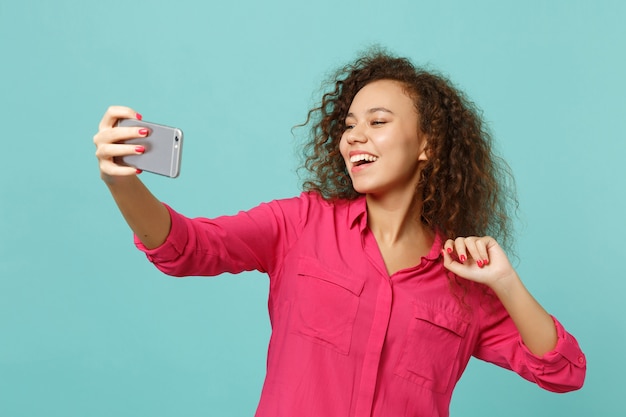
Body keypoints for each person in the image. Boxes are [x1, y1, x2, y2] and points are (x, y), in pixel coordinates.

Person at [93, 50, 586, 417]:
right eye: (349, 124)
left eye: (378, 121)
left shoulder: (464, 277)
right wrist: (120, 182)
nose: (354, 136)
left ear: (427, 145)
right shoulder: (300, 224)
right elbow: (187, 248)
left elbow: (563, 372)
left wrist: (504, 282)